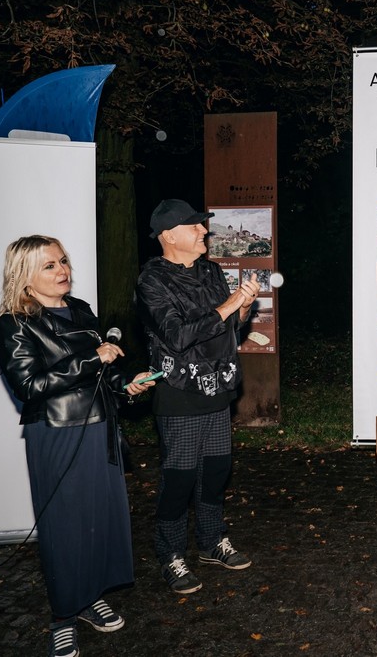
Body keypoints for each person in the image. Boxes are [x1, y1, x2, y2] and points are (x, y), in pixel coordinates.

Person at [0, 235, 156, 657]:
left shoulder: (81, 310)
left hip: (101, 427)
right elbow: (30, 386)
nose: (62, 270)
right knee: (65, 527)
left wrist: (127, 384)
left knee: (100, 518)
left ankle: (90, 596)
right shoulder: (14, 323)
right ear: (24, 276)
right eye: (49, 265)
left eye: (63, 261)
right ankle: (63, 616)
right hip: (57, 433)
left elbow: (105, 371)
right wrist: (92, 358)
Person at [136, 198, 259, 595]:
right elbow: (177, 337)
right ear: (169, 236)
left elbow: (228, 329)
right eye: (194, 226)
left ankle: (211, 541)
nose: (204, 230)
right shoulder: (152, 281)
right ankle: (170, 553)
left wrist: (242, 309)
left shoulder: (211, 271)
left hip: (218, 387)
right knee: (180, 479)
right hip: (180, 393)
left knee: (216, 472)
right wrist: (230, 304)